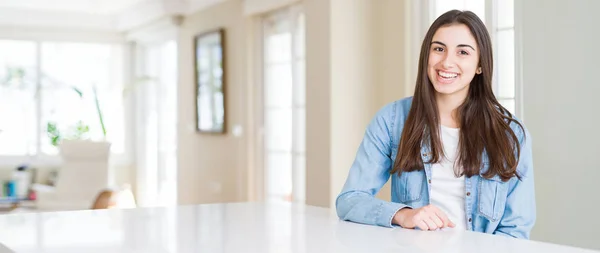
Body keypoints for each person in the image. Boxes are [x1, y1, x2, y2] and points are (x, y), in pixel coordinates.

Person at [335, 9, 535, 239]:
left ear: (480, 64)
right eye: (439, 49)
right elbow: (349, 200)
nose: (447, 62)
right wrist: (403, 214)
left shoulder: (511, 134)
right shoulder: (391, 120)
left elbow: (514, 232)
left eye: (463, 52)